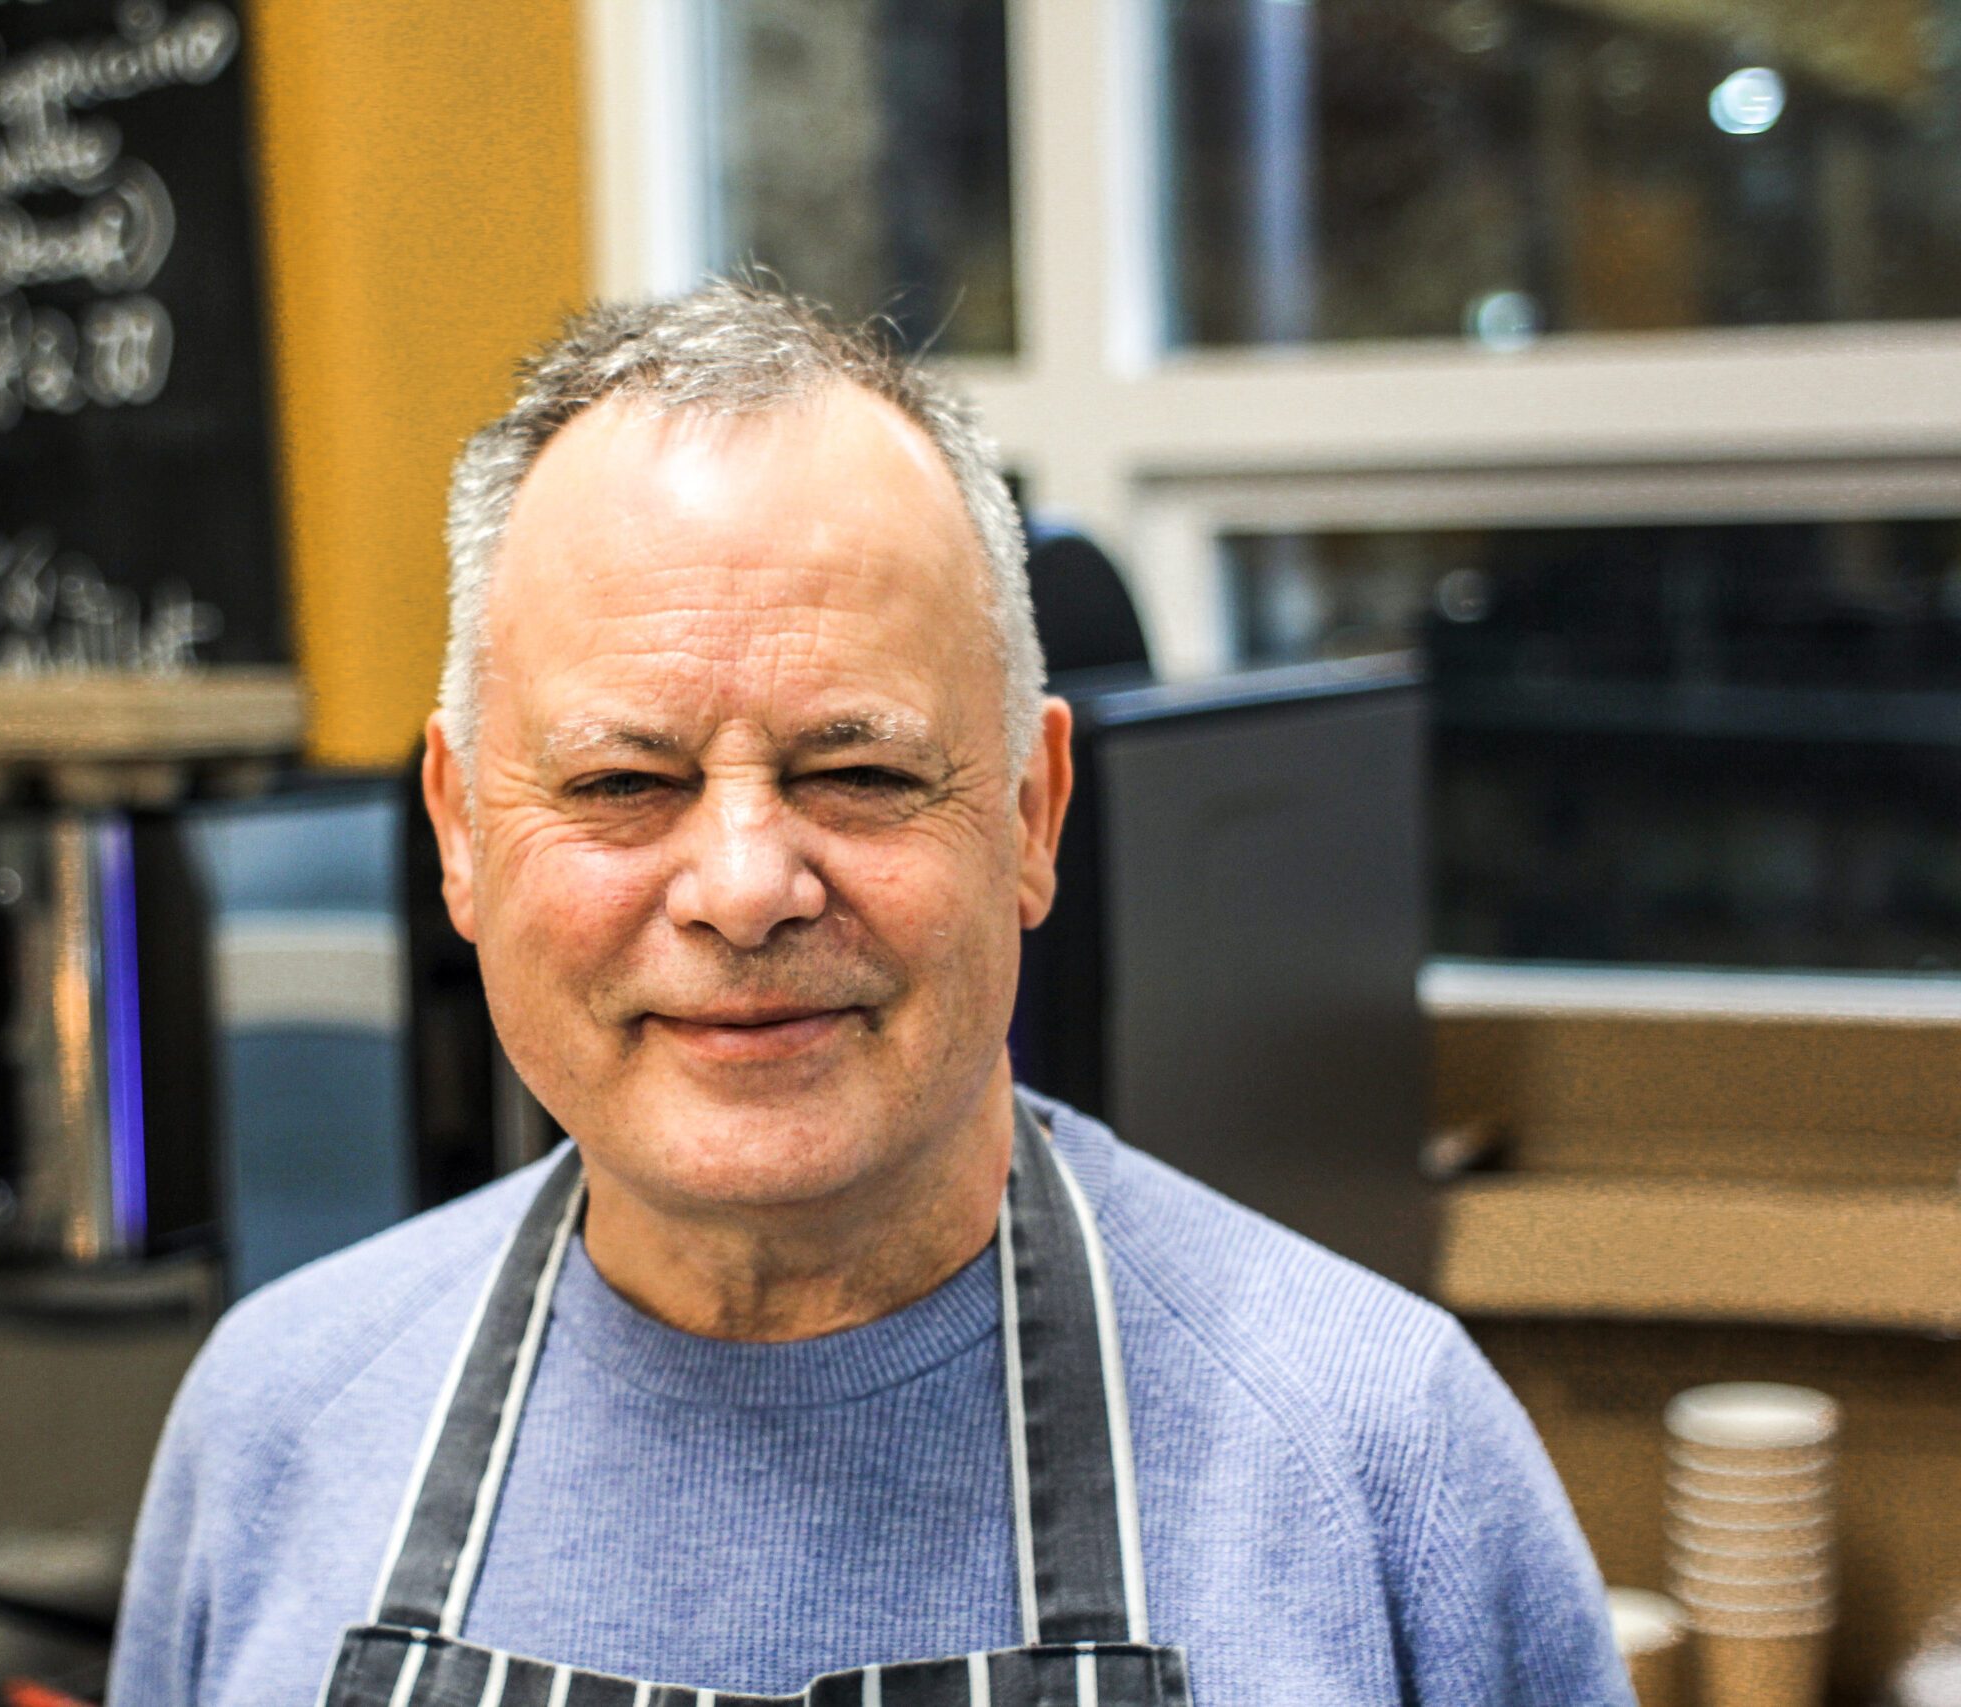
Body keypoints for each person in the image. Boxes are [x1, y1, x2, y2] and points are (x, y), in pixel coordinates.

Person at [110, 282, 1633, 1707]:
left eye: (860, 772)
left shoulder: (1386, 1462)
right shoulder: (273, 1429)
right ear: (459, 833)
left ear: (1033, 814)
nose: (748, 884)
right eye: (624, 780)